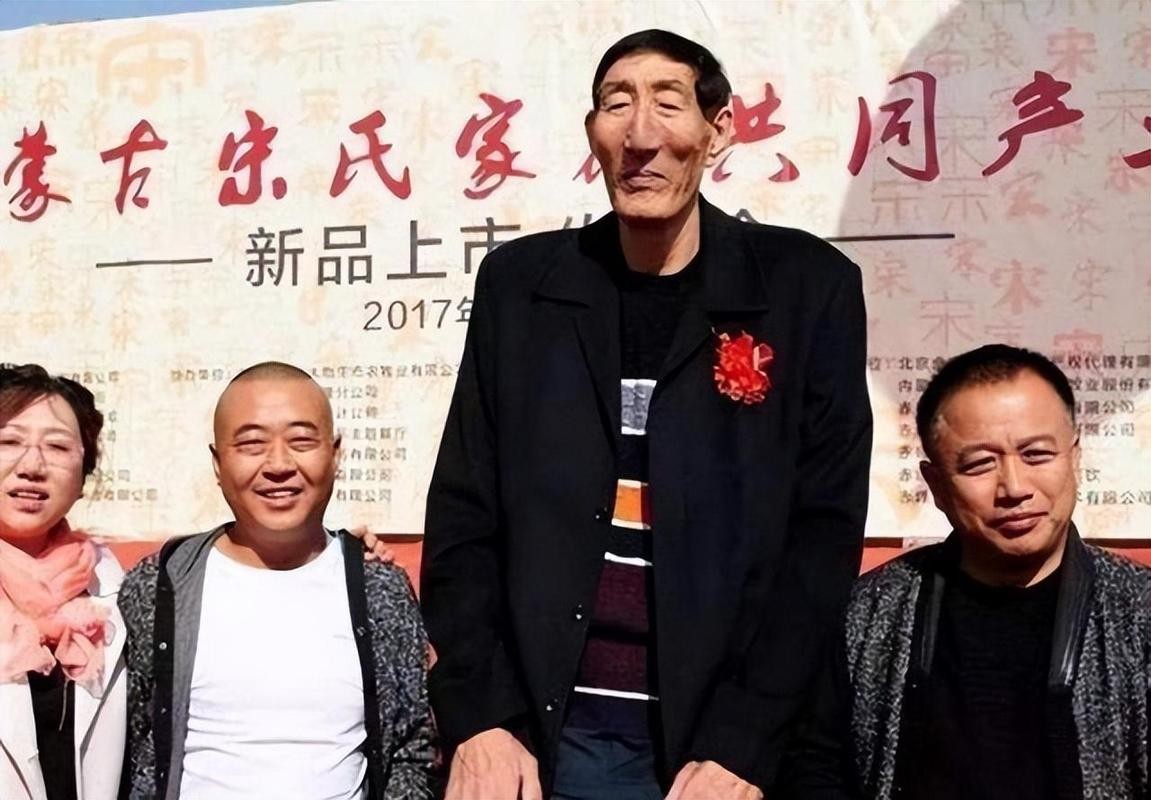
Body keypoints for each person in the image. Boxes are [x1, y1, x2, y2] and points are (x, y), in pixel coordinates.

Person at [421, 28, 872, 800]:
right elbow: (465, 515)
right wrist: (482, 717)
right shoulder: (523, 287)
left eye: (667, 104)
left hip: (724, 754)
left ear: (718, 130)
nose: (640, 136)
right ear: (591, 132)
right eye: (615, 104)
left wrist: (744, 742)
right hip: (543, 744)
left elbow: (820, 537)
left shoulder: (804, 287)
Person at [830, 344, 1150, 799]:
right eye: (980, 464)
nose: (1014, 488)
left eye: (1036, 455)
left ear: (1075, 458)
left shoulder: (1139, 612)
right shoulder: (869, 612)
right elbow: (818, 765)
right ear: (936, 485)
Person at [118, 362, 435, 800]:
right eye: (251, 444)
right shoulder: (160, 585)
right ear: (218, 462)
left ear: (335, 454)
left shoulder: (379, 588)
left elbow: (410, 746)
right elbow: (131, 744)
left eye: (301, 441)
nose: (279, 465)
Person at [0, 364, 126, 800]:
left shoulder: (116, 587)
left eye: (57, 446)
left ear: (83, 475)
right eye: (8, 442)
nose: (32, 466)